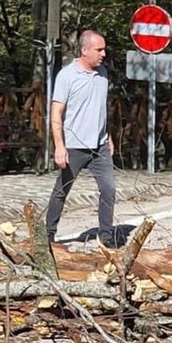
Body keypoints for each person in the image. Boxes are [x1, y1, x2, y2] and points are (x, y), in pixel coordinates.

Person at [45, 29, 117, 247]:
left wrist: (109, 136)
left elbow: (101, 108)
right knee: (62, 189)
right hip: (74, 145)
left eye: (104, 49)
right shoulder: (67, 76)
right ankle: (48, 235)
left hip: (100, 146)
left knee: (109, 189)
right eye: (99, 49)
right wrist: (59, 146)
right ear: (85, 50)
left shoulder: (103, 74)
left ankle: (106, 237)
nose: (104, 53)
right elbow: (56, 112)